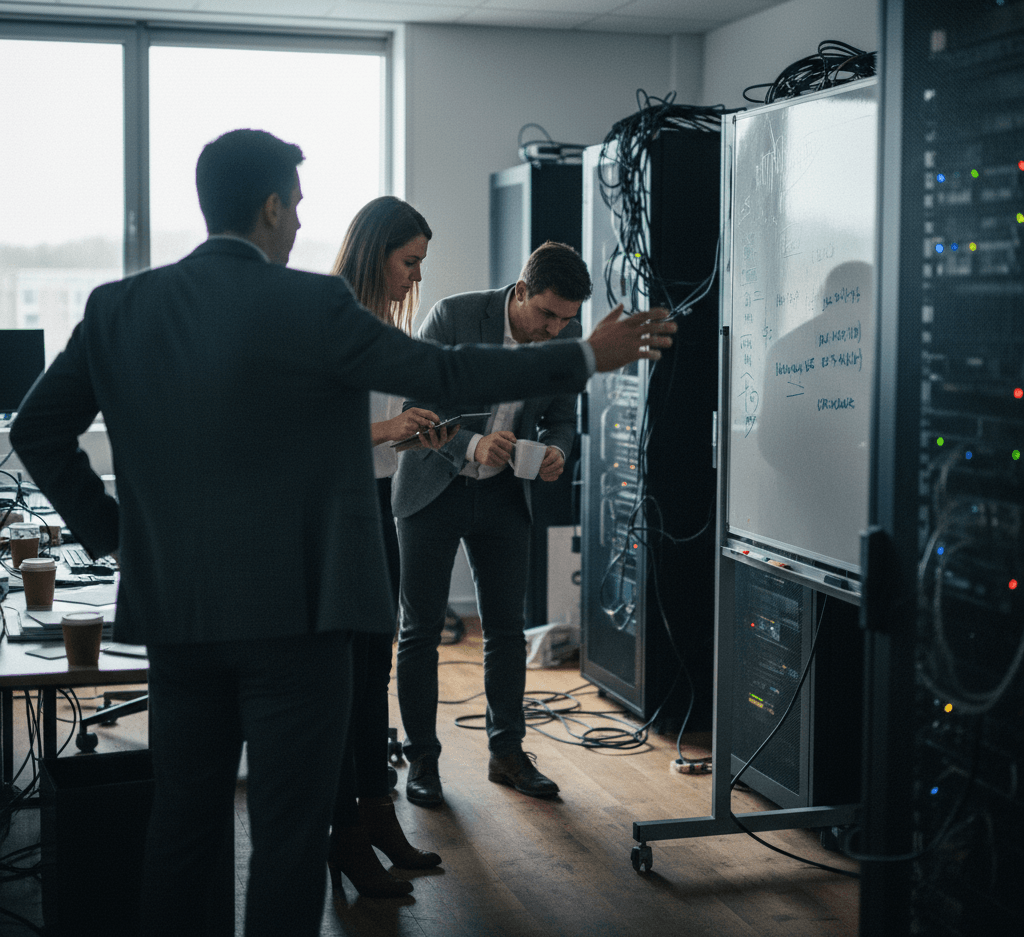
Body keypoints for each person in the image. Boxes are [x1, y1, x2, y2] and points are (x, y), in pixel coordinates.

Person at [9, 128, 676, 937]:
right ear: (270, 205)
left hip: (176, 618)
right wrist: (583, 355)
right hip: (302, 619)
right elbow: (448, 373)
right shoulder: (311, 306)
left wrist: (117, 535)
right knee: (288, 841)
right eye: (295, 204)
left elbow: (38, 432)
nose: (298, 223)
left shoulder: (119, 306)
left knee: (181, 830)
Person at [393, 241, 592, 807]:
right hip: (433, 486)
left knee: (506, 630)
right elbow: (416, 405)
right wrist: (474, 444)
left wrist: (554, 452)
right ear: (521, 291)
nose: (554, 330)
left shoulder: (560, 342)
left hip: (506, 497)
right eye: (547, 314)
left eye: (567, 321)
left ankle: (507, 754)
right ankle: (422, 761)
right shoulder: (455, 316)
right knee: (419, 631)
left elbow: (561, 420)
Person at [326, 196, 444, 900]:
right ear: (376, 254)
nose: (415, 279)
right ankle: (343, 833)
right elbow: (309, 433)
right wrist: (387, 428)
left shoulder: (376, 324)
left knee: (375, 676)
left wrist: (409, 433)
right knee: (344, 688)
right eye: (409, 262)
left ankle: (377, 818)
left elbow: (371, 428)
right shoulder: (328, 320)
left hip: (378, 506)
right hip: (340, 517)